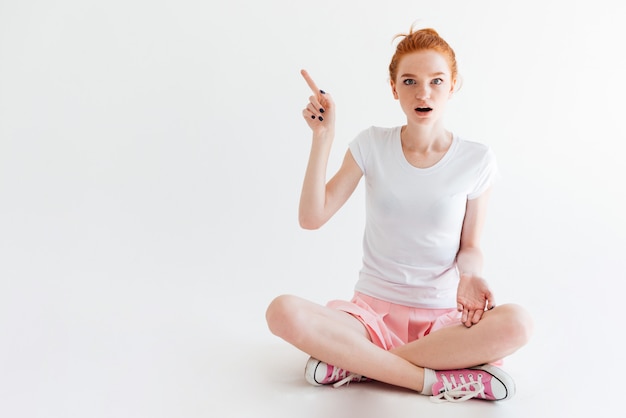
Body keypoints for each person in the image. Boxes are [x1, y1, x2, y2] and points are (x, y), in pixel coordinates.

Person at [265, 26, 533, 402]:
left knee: (518, 323)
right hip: (368, 319)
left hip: (444, 323)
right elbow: (312, 217)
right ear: (394, 89)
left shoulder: (476, 159)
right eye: (409, 81)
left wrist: (470, 275)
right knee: (282, 312)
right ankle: (438, 380)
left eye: (436, 81)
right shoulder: (372, 144)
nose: (423, 93)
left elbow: (470, 244)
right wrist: (322, 138)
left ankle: (357, 366)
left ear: (453, 85)